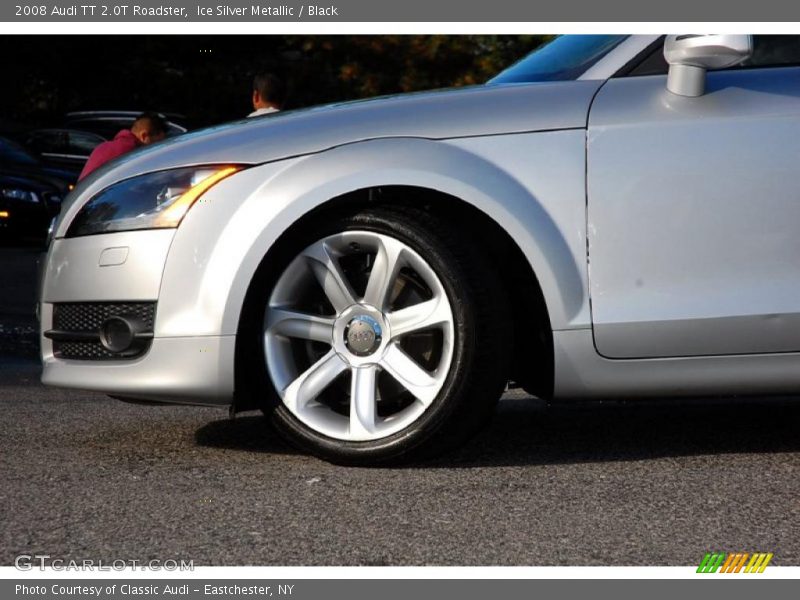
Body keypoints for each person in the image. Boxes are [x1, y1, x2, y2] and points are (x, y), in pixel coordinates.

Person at [78, 112, 167, 180]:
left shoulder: (104, 146)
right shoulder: (132, 155)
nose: (158, 150)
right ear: (144, 136)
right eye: (157, 144)